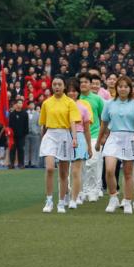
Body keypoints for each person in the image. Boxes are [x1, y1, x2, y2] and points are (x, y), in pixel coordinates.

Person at [96, 75, 134, 214]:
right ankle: (113, 197)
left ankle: (127, 201)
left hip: (130, 137)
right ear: (116, 88)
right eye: (120, 86)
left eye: (126, 86)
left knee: (128, 173)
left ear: (130, 89)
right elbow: (104, 123)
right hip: (113, 137)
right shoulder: (109, 103)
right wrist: (98, 141)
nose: (123, 89)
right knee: (109, 170)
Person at [38, 76, 81, 214]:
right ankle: (49, 200)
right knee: (50, 168)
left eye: (59, 84)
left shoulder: (70, 102)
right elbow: (43, 124)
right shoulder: (46, 103)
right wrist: (43, 139)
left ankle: (61, 202)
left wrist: (74, 138)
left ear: (64, 86)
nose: (57, 87)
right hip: (50, 135)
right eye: (54, 84)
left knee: (63, 173)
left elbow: (73, 122)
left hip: (64, 135)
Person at [65, 78, 92, 209]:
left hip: (80, 137)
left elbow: (87, 129)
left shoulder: (83, 108)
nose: (72, 93)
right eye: (69, 91)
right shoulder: (62, 106)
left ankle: (74, 199)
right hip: (64, 136)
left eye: (74, 91)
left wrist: (89, 147)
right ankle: (64, 196)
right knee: (64, 172)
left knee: (76, 171)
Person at [78, 72, 105, 202]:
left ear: (90, 84)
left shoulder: (97, 99)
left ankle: (94, 190)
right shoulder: (75, 98)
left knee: (93, 162)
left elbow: (104, 118)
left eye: (86, 82)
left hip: (94, 135)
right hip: (79, 135)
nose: (83, 84)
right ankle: (82, 190)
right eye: (81, 82)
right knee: (81, 165)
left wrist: (104, 136)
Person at [8, 99, 29, 169]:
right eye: (19, 103)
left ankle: (21, 164)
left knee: (21, 149)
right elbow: (10, 125)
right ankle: (12, 164)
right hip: (13, 136)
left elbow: (26, 125)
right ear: (16, 104)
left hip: (21, 135)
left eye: (21, 103)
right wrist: (10, 134)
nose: (20, 104)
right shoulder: (12, 114)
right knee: (12, 150)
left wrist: (25, 133)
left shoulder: (25, 114)